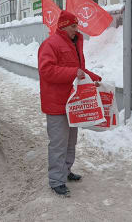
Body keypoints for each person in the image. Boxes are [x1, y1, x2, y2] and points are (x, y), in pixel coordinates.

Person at [38, 10, 102, 197]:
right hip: (56, 103)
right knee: (58, 143)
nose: (77, 29)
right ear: (63, 25)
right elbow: (46, 71)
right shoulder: (50, 44)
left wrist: (94, 78)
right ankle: (56, 180)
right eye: (73, 26)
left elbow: (79, 69)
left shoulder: (74, 43)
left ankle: (65, 171)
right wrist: (73, 73)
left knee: (70, 142)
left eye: (76, 25)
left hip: (73, 102)